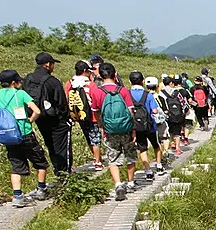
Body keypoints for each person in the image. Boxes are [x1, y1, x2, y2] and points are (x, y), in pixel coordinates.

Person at [0, 70, 49, 207]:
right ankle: (41, 189)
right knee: (40, 162)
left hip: (8, 135)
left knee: (16, 165)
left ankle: (18, 196)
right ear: (14, 82)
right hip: (24, 133)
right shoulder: (21, 94)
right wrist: (30, 120)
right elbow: (37, 111)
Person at [88, 63, 137, 201]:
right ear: (115, 75)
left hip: (109, 130)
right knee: (130, 155)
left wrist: (101, 125)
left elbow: (96, 112)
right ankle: (131, 182)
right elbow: (130, 111)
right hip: (126, 128)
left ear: (100, 76)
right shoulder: (123, 90)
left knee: (113, 157)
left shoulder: (97, 92)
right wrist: (133, 129)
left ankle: (118, 184)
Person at [24, 52, 71, 178]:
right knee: (61, 147)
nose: (53, 66)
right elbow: (61, 103)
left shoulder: (28, 79)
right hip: (56, 120)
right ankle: (64, 174)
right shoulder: (53, 81)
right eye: (52, 64)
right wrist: (67, 118)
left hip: (38, 119)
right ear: (47, 64)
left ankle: (57, 171)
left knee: (50, 145)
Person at [68, 61, 103, 170]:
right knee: (95, 138)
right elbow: (96, 100)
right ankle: (97, 162)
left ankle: (95, 157)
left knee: (88, 137)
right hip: (92, 116)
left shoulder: (69, 83)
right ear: (84, 71)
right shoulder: (90, 85)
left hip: (79, 115)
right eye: (88, 71)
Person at [128, 71, 161, 182]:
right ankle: (159, 165)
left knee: (142, 148)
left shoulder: (127, 94)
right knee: (156, 145)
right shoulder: (148, 95)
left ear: (130, 81)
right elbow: (155, 111)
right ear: (142, 81)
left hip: (136, 127)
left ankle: (148, 170)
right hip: (150, 125)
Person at [146, 76, 169, 173]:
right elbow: (165, 109)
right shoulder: (160, 96)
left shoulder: (145, 96)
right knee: (165, 137)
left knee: (156, 141)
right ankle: (165, 152)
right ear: (156, 86)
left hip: (149, 122)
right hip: (160, 120)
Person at [161, 76, 187, 156]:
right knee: (177, 133)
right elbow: (183, 103)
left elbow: (161, 105)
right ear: (171, 83)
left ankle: (172, 143)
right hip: (177, 115)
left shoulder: (161, 93)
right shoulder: (176, 92)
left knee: (170, 131)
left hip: (168, 115)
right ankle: (178, 148)